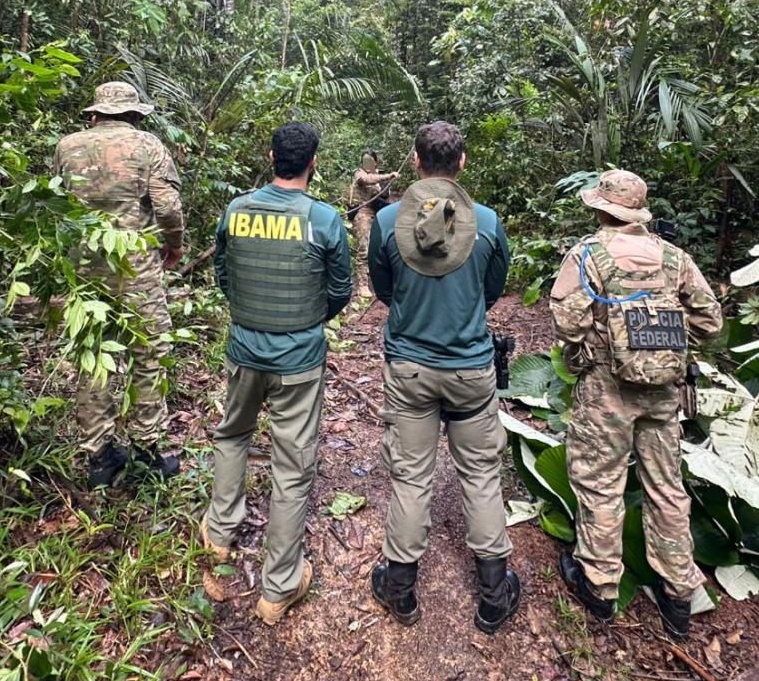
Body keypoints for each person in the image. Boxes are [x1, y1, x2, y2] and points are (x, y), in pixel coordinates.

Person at [548, 170, 723, 640]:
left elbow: (567, 324)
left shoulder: (588, 254)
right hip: (664, 391)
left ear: (601, 208)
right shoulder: (675, 257)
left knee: (600, 482)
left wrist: (607, 335)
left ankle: (600, 585)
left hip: (606, 390)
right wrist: (663, 337)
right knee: (666, 487)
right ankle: (678, 595)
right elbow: (710, 322)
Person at [367, 120, 521, 635]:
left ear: (416, 162)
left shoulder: (387, 220)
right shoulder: (488, 222)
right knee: (480, 474)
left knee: (411, 476)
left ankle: (400, 589)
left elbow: (382, 287)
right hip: (471, 369)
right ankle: (494, 596)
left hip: (410, 368)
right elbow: (492, 289)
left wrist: (411, 309)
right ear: (462, 163)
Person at [202, 122, 351, 626]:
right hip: (298, 363)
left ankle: (219, 534)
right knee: (292, 466)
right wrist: (304, 322)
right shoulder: (323, 219)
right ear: (313, 163)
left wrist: (253, 315)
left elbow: (224, 274)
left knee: (232, 435)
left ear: (271, 158)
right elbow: (340, 289)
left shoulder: (237, 210)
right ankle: (279, 587)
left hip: (244, 350)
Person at [52, 81, 184, 489]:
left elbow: (56, 202)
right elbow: (167, 206)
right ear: (134, 114)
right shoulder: (148, 146)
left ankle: (99, 458)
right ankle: (146, 450)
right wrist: (175, 244)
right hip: (135, 268)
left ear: (95, 114)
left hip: (83, 271)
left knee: (94, 356)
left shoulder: (67, 147)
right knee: (149, 353)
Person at [347, 150, 398, 303]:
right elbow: (366, 179)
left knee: (383, 246)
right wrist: (388, 176)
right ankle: (363, 285)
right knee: (364, 248)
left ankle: (382, 280)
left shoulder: (378, 177)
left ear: (375, 162)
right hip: (362, 213)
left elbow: (384, 196)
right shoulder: (359, 174)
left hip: (377, 214)